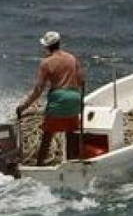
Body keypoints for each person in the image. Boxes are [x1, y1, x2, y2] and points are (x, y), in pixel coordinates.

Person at [16, 31, 85, 166]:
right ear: (59, 43)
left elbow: (38, 90)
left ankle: (39, 165)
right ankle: (71, 164)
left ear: (46, 47)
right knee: (70, 134)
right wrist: (80, 101)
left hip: (59, 98)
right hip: (74, 97)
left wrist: (23, 107)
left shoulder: (46, 63)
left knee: (48, 135)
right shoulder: (72, 58)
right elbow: (81, 81)